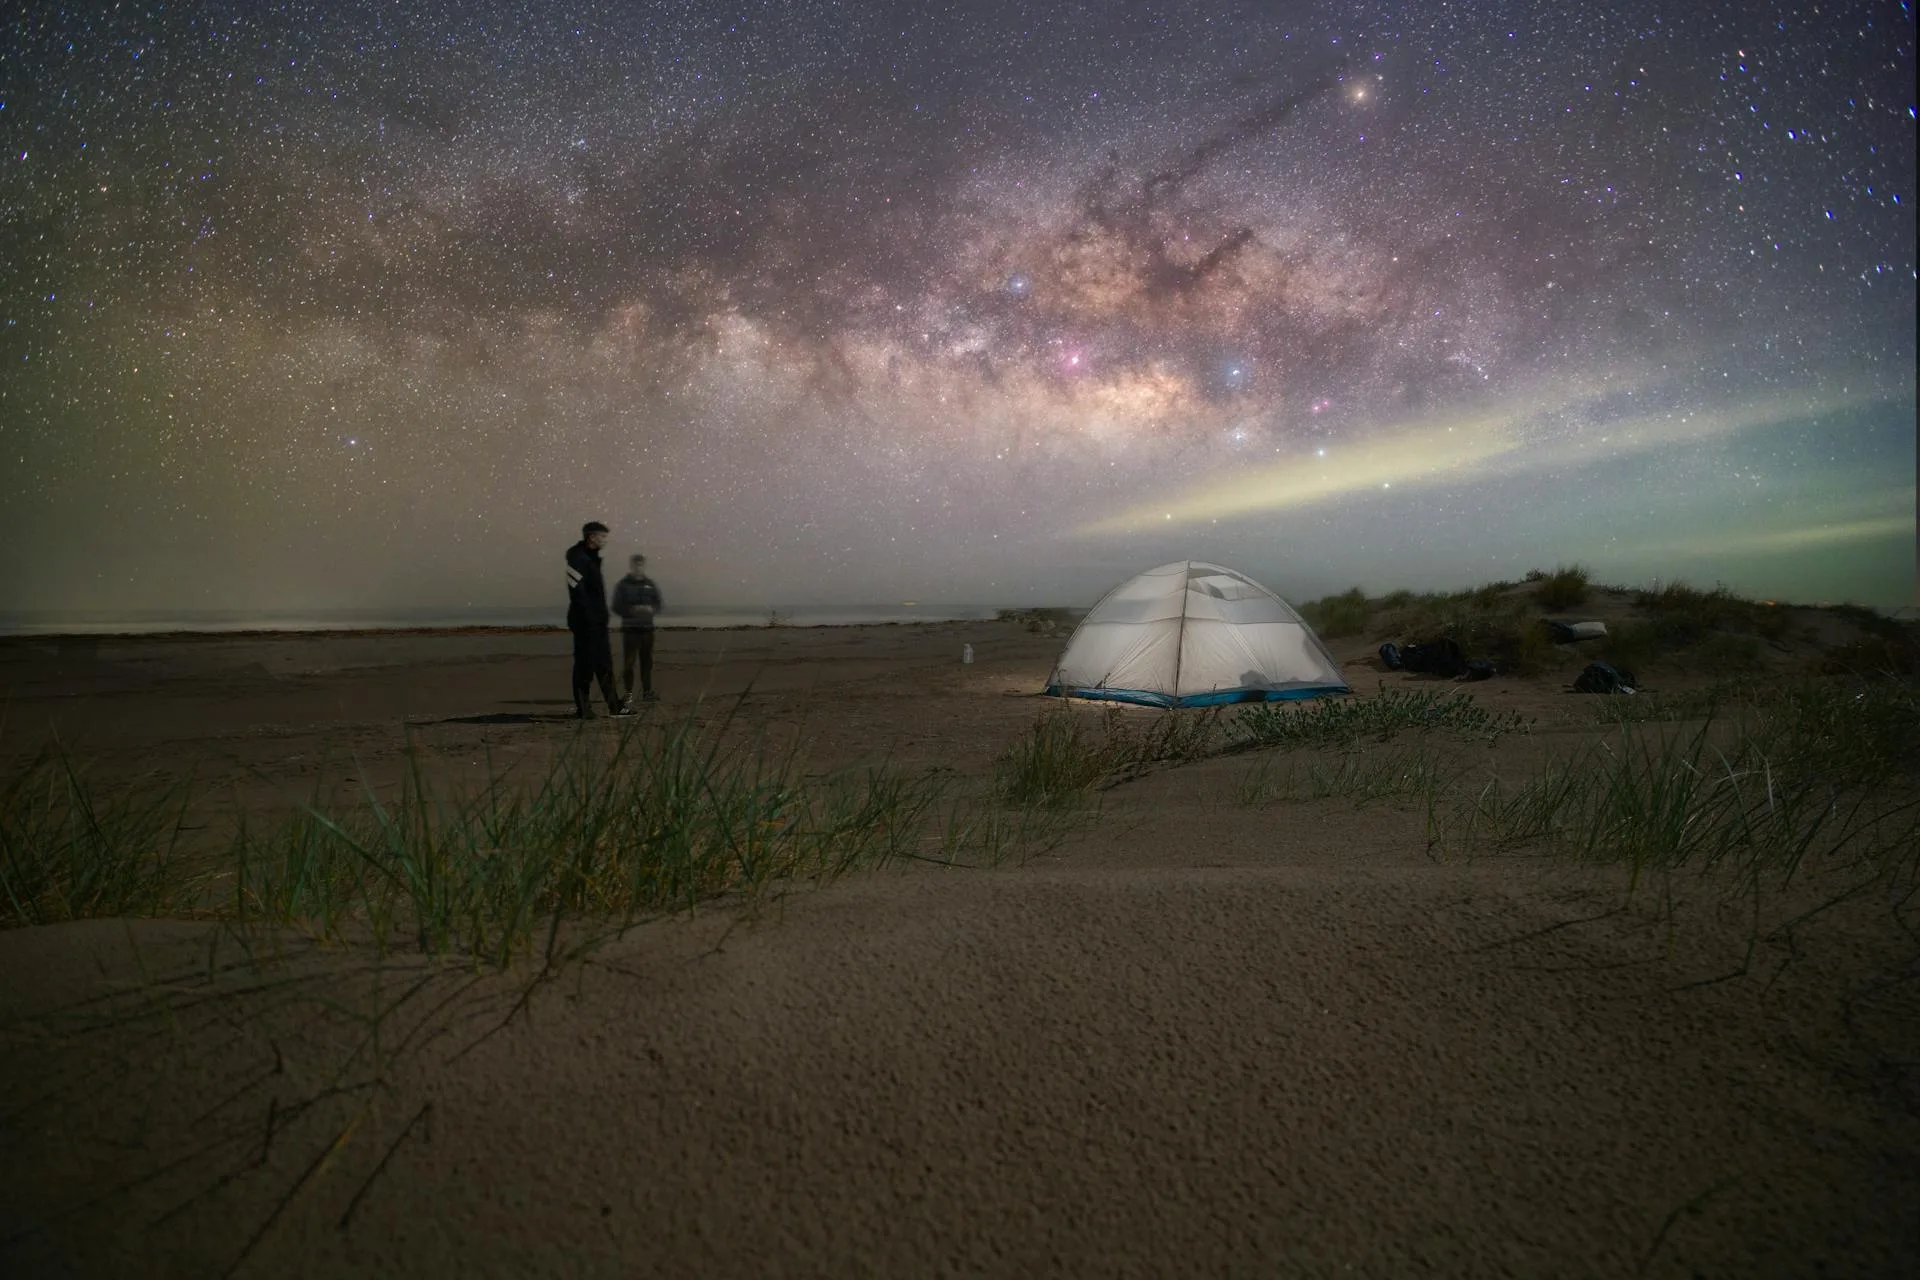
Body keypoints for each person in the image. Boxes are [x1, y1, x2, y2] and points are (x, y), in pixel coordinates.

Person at [565, 522, 631, 719]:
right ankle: (583, 708)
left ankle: (614, 706)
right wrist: (590, 618)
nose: (605, 540)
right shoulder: (578, 558)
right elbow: (577, 593)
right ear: (591, 537)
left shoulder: (591, 558)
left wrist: (601, 617)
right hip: (585, 622)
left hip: (597, 621)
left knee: (604, 664)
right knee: (585, 665)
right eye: (602, 536)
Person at [610, 553, 664, 702]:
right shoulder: (623, 585)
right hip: (630, 629)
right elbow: (616, 606)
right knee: (629, 663)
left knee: (647, 662)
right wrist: (631, 610)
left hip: (647, 629)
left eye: (640, 565)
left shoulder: (650, 584)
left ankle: (647, 692)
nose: (638, 567)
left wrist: (651, 609)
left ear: (644, 566)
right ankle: (628, 694)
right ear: (631, 565)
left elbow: (659, 604)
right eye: (636, 564)